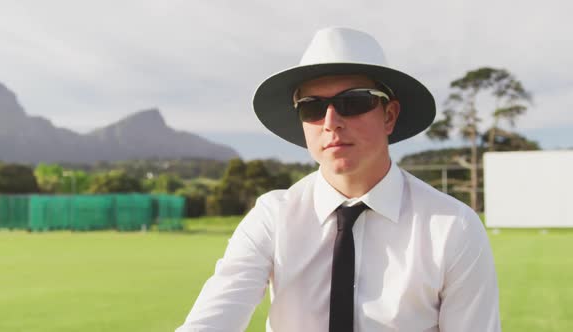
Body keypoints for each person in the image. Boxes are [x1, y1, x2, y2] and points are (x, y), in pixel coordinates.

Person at [176, 27, 500, 332]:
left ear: (389, 115)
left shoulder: (452, 227)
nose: (331, 122)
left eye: (353, 101)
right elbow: (211, 320)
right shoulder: (273, 217)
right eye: (311, 107)